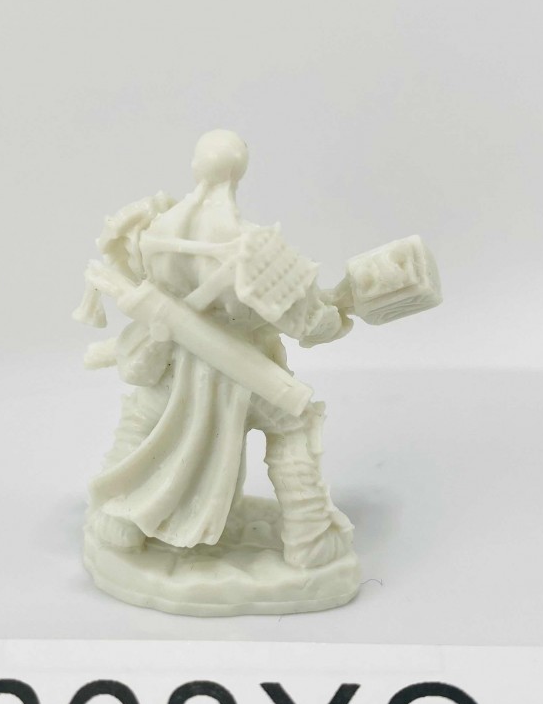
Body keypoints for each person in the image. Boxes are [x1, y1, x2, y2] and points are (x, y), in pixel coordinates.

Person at [80, 130, 354, 569]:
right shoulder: (255, 247)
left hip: (173, 366)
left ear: (195, 166)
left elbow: (133, 277)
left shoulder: (151, 230)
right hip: (242, 374)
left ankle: (117, 525)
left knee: (144, 419)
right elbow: (309, 323)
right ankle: (309, 537)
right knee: (294, 425)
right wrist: (341, 311)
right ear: (240, 173)